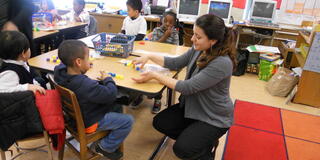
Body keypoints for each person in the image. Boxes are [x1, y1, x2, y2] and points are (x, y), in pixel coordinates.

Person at [132, 14, 237, 159]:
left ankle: (204, 149)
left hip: (213, 116)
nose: (193, 39)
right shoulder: (198, 48)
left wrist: (155, 75)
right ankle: (198, 140)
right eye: (194, 34)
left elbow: (187, 87)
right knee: (160, 123)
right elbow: (175, 62)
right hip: (193, 107)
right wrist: (149, 56)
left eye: (198, 37)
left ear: (213, 40)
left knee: (182, 149)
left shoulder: (222, 63)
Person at [54, 40, 134, 160]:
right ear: (78, 62)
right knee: (128, 120)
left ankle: (108, 135)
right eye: (88, 58)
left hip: (72, 119)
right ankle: (104, 147)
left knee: (117, 106)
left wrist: (84, 67)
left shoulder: (59, 73)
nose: (90, 61)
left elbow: (62, 65)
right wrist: (108, 79)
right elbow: (110, 94)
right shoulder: (85, 85)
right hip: (89, 122)